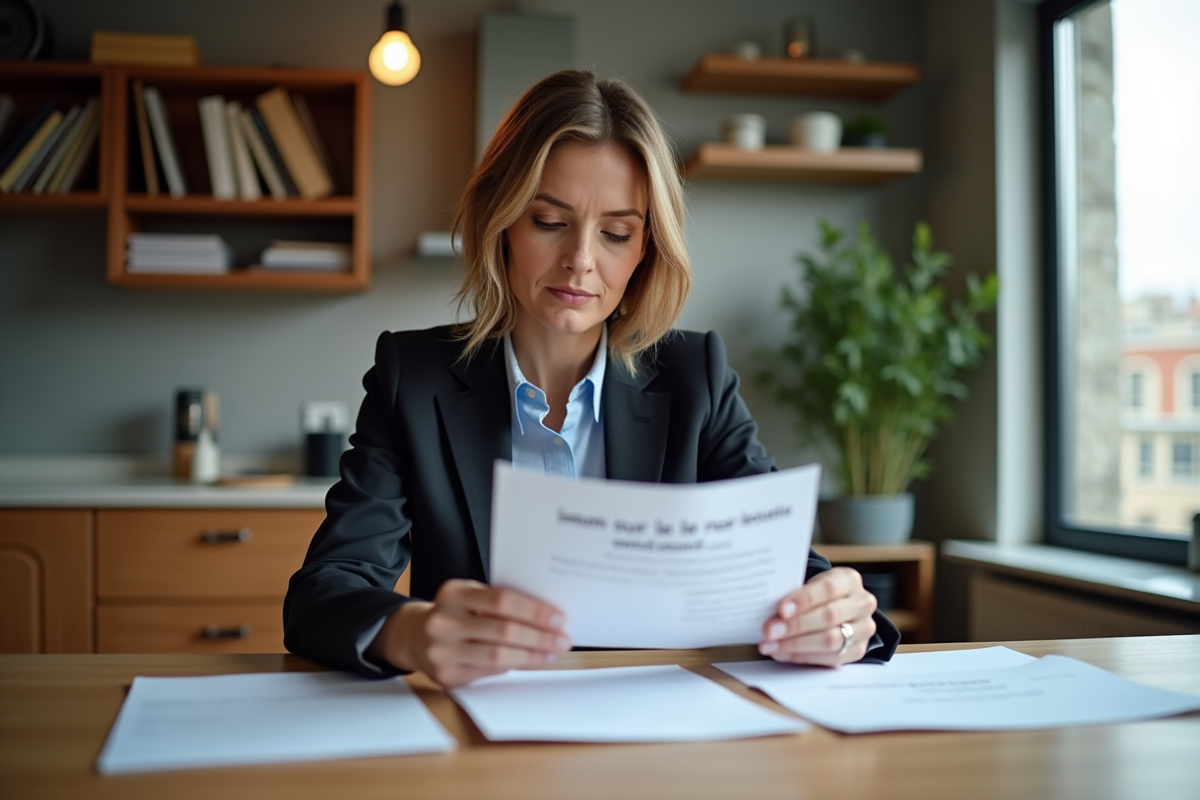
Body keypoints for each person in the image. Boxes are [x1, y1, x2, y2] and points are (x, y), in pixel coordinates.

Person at [283, 69, 899, 688]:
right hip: (477, 740)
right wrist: (411, 632)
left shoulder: (695, 377)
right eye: (549, 222)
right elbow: (327, 589)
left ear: (645, 250)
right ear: (501, 222)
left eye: (615, 233)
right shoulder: (411, 377)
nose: (580, 259)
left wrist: (838, 615)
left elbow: (787, 565)